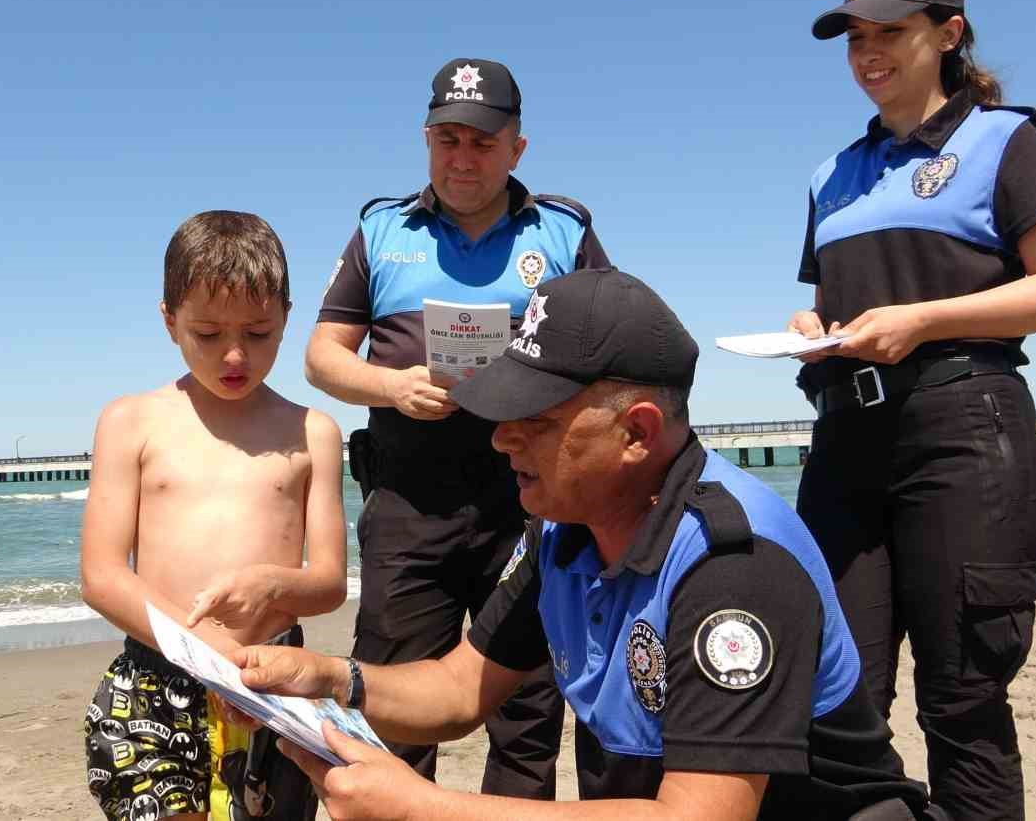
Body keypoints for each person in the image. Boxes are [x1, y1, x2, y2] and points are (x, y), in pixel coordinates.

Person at [238, 268, 943, 821]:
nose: (501, 437)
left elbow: (701, 817)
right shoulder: (563, 530)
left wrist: (423, 807)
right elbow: (457, 691)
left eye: (535, 421)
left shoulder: (733, 562)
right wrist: (331, 680)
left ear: (636, 433)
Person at [790, 0, 1036, 820]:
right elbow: (837, 307)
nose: (867, 53)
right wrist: (814, 331)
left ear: (949, 32)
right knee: (835, 701)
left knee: (963, 702)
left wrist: (925, 319)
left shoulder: (1007, 140)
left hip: (964, 428)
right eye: (853, 37)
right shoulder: (831, 175)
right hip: (845, 445)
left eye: (889, 31)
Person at [307, 57, 609, 796]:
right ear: (426, 139)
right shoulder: (381, 232)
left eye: (481, 141)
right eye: (447, 139)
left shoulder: (563, 233)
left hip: (531, 503)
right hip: (411, 503)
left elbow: (609, 352)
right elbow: (321, 356)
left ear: (517, 148)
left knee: (529, 710)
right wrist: (390, 384)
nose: (462, 157)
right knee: (390, 707)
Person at [79, 210, 349, 821]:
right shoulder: (130, 422)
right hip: (156, 680)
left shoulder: (315, 432)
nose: (234, 354)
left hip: (273, 683)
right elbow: (102, 575)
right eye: (207, 334)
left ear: (286, 314)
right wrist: (206, 650)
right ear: (169, 319)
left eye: (258, 333)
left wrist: (276, 584)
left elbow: (330, 582)